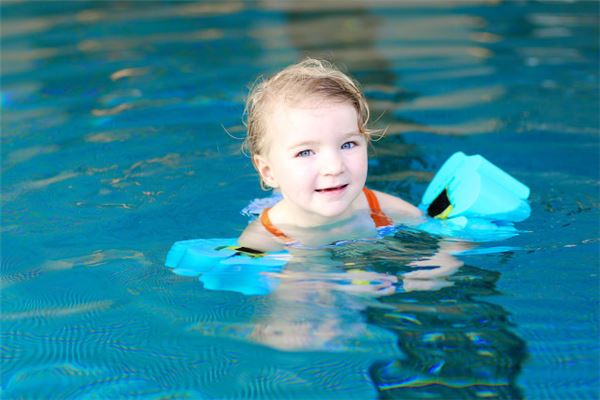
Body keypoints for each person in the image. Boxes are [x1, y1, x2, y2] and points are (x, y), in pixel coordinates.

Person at [239, 58, 423, 252]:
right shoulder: (265, 237)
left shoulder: (380, 207)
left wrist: (436, 265)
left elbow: (441, 237)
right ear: (268, 172)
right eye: (305, 152)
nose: (335, 167)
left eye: (348, 144)